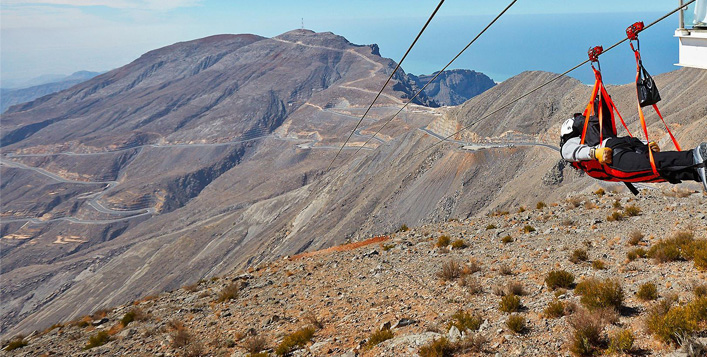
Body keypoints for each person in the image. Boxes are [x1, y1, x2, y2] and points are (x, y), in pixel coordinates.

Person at [560, 111, 707, 191]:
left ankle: (696, 156)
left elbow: (568, 152)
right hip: (622, 143)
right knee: (658, 171)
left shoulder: (572, 141)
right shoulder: (593, 136)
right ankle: (698, 172)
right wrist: (646, 144)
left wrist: (594, 153)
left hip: (613, 157)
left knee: (656, 165)